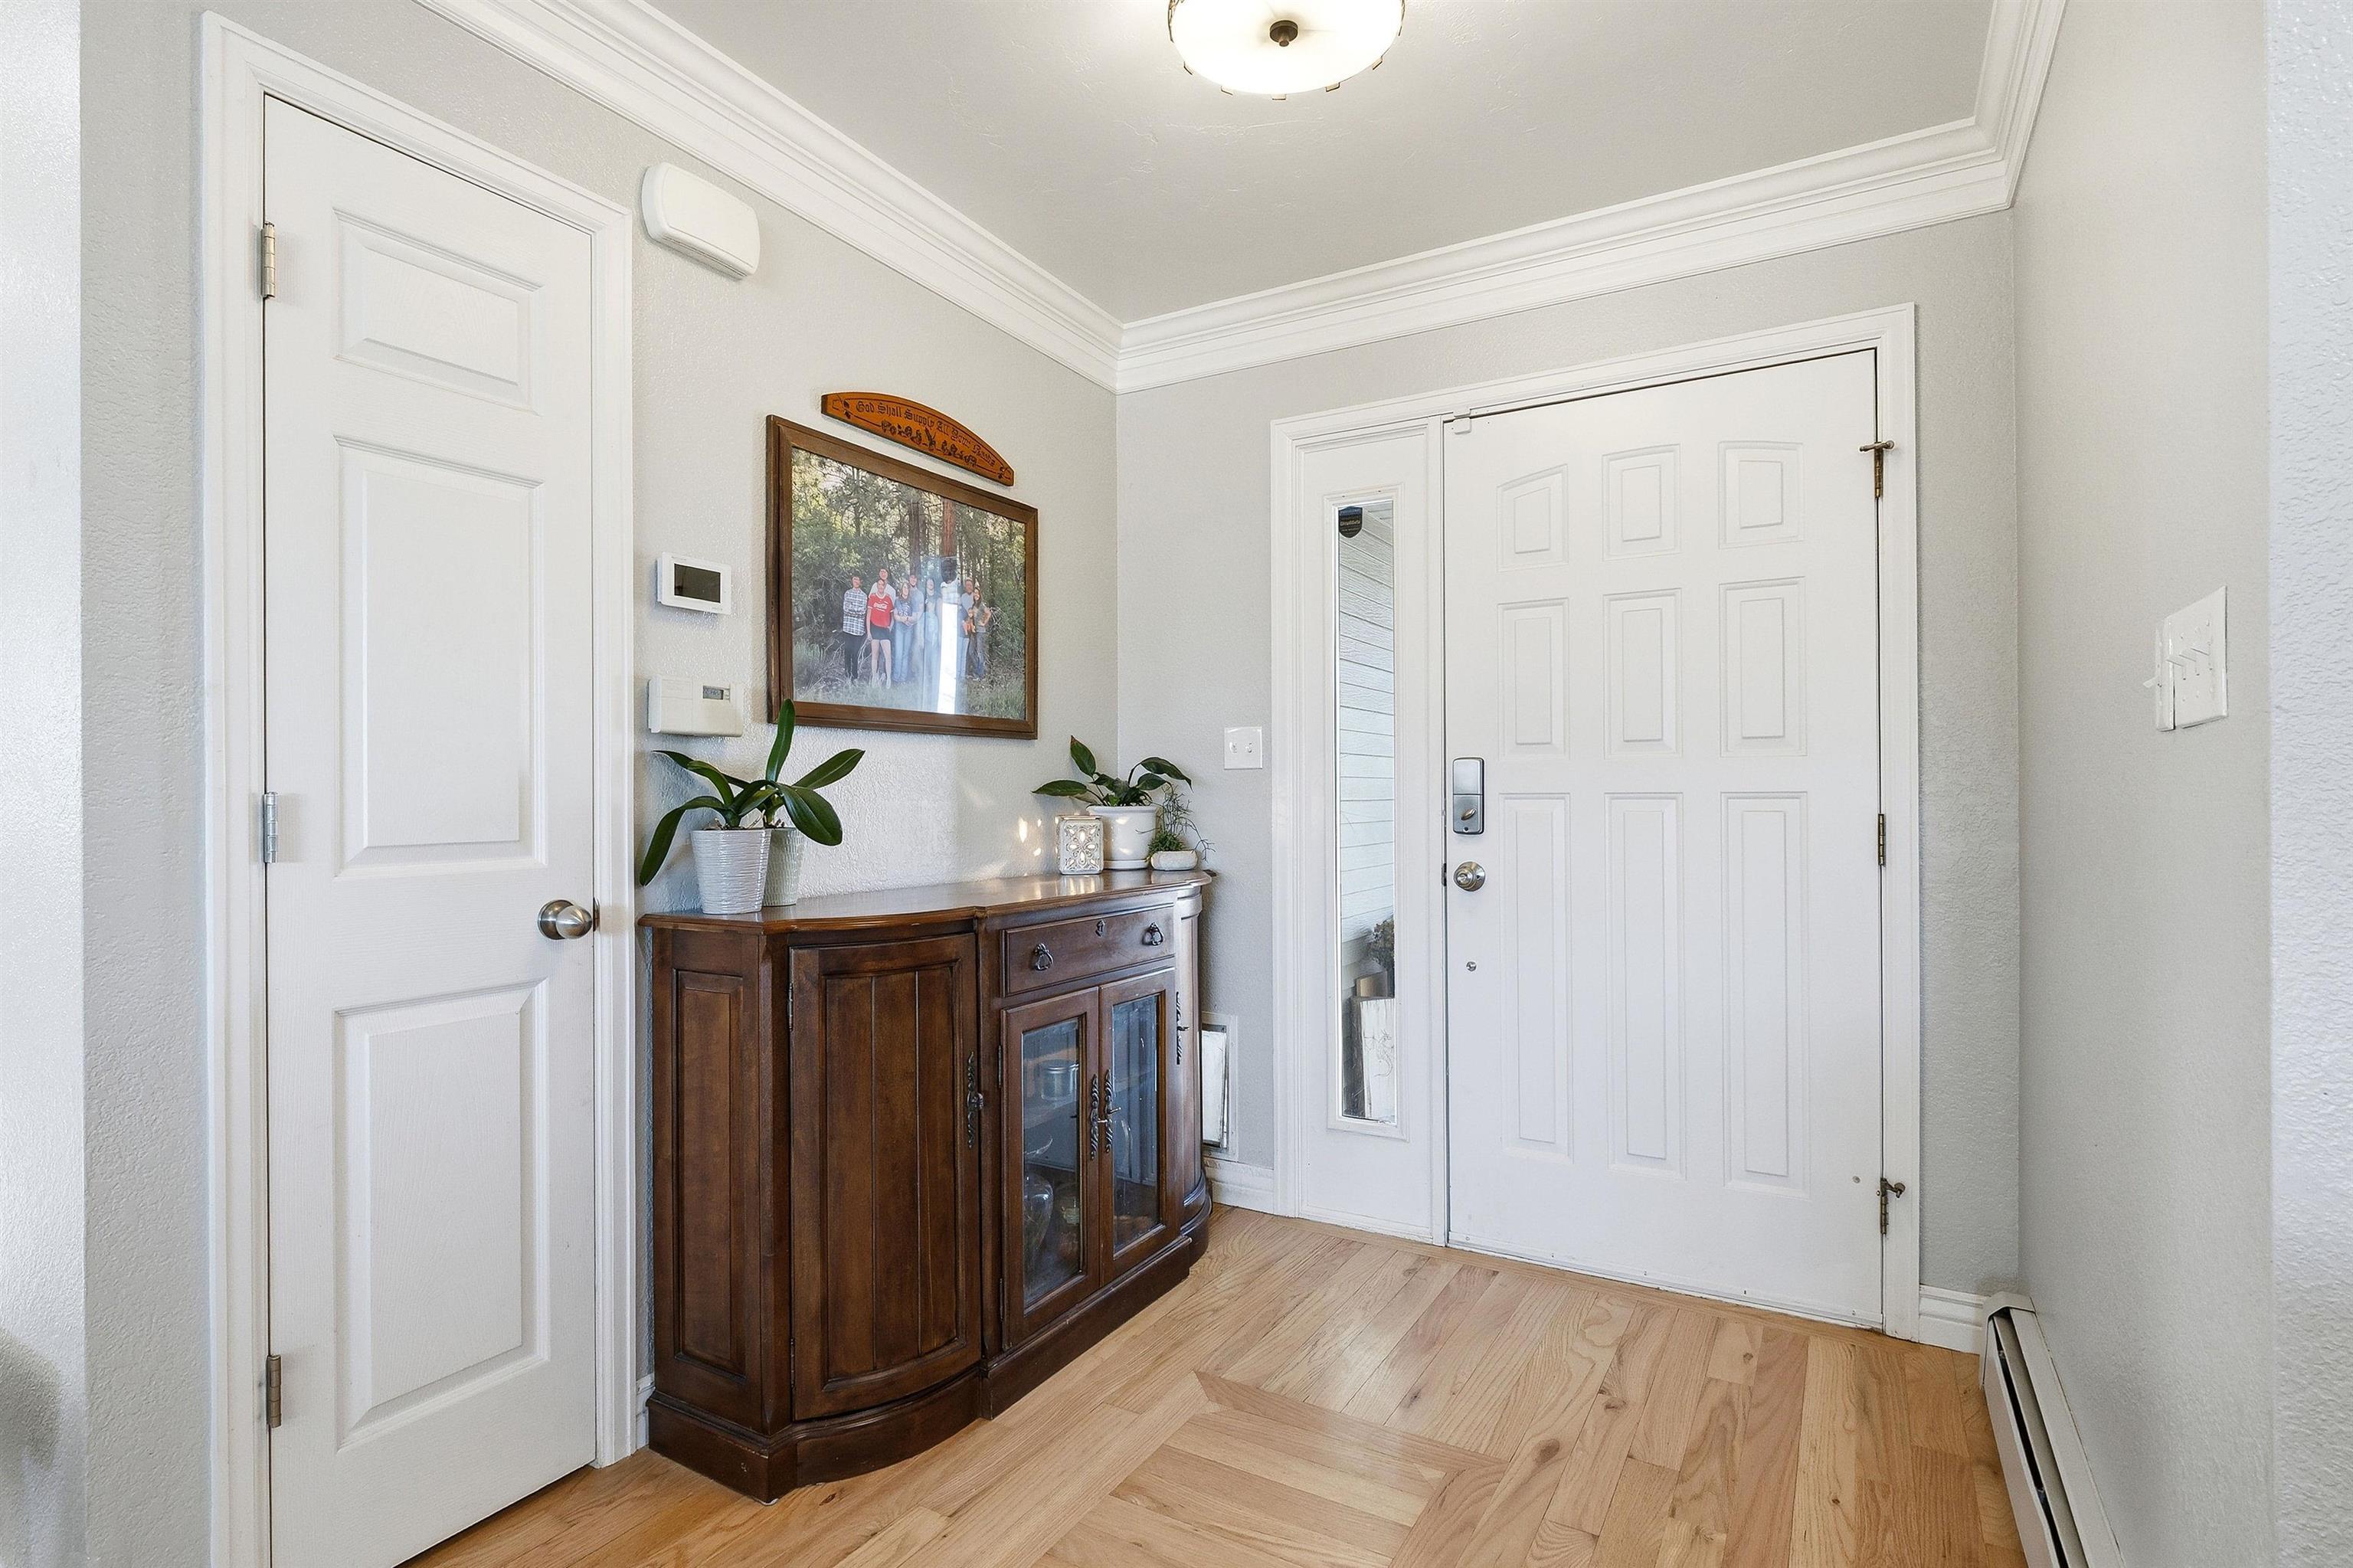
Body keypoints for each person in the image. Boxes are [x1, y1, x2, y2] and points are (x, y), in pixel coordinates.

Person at [866, 568, 896, 685]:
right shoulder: (873, 597)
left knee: (888, 655)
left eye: (882, 585)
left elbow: (892, 615)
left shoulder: (888, 598)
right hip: (875, 628)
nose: (880, 587)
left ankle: (888, 679)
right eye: (879, 585)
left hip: (885, 629)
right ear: (877, 586)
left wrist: (890, 627)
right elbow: (868, 615)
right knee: (875, 654)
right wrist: (869, 632)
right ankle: (874, 677)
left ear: (884, 586)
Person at [839, 574, 866, 679]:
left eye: (857, 579)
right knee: (847, 652)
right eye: (854, 579)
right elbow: (846, 609)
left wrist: (852, 609)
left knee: (855, 653)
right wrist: (856, 610)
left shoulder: (864, 596)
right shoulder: (848, 593)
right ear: (852, 581)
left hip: (858, 630)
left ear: (860, 582)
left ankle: (855, 676)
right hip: (848, 628)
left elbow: (863, 612)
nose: (855, 581)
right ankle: (847, 674)